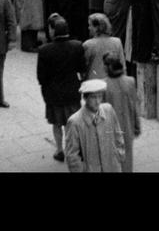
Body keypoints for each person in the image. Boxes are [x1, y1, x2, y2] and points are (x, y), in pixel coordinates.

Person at [36, 14, 86, 163]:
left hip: (53, 94)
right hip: (72, 91)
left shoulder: (44, 50)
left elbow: (41, 77)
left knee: (57, 123)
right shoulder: (77, 46)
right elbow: (81, 68)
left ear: (53, 30)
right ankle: (77, 149)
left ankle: (59, 150)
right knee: (73, 123)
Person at [64, 78, 126, 173]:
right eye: (93, 97)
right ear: (85, 98)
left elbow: (118, 134)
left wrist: (119, 155)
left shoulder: (108, 110)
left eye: (100, 97)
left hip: (112, 166)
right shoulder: (75, 122)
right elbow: (72, 155)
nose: (97, 101)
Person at [103, 55, 141, 172]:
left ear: (107, 67)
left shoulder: (103, 84)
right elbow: (134, 107)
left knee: (110, 159)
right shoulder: (130, 81)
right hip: (127, 126)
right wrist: (137, 126)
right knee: (127, 158)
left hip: (109, 129)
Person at [83, 12, 126, 80]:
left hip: (94, 83)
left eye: (90, 25)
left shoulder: (88, 44)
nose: (88, 28)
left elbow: (84, 68)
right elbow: (122, 65)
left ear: (96, 27)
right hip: (113, 83)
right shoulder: (117, 42)